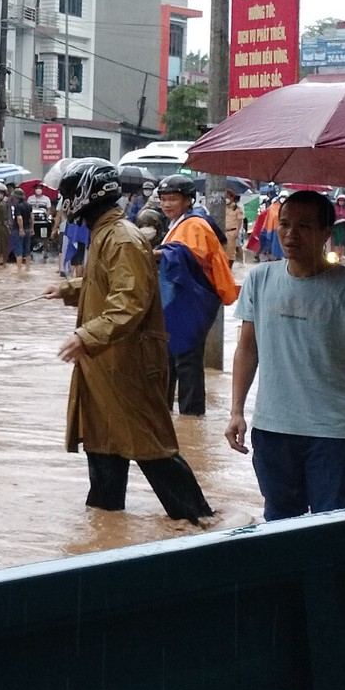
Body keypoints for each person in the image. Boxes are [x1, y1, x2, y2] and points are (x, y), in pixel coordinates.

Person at [48, 160, 215, 520]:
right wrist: (68, 289)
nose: (64, 204)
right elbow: (106, 284)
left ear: (88, 196)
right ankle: (106, 530)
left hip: (128, 366)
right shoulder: (106, 235)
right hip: (105, 364)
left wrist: (85, 335)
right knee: (104, 446)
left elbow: (129, 301)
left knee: (151, 447)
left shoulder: (121, 237)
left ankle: (199, 523)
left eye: (68, 196)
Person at [224, 190, 345, 519]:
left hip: (333, 433)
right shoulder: (260, 279)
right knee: (278, 525)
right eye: (285, 224)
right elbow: (247, 349)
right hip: (273, 430)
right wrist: (236, 411)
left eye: (304, 226)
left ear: (325, 233)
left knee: (334, 528)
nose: (291, 234)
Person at [155, 174, 239, 415]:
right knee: (171, 358)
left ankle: (191, 416)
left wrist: (154, 254)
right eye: (164, 199)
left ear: (188, 200)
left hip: (191, 301)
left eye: (173, 199)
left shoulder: (194, 223)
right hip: (183, 300)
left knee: (187, 360)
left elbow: (187, 253)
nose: (167, 204)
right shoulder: (183, 223)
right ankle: (168, 414)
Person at [10, 189, 34, 267]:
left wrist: (21, 229)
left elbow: (19, 218)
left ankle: (19, 269)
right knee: (27, 250)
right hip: (28, 229)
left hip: (18, 230)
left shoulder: (17, 206)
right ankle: (27, 268)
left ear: (16, 197)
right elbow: (32, 217)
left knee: (18, 250)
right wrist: (32, 228)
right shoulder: (28, 205)